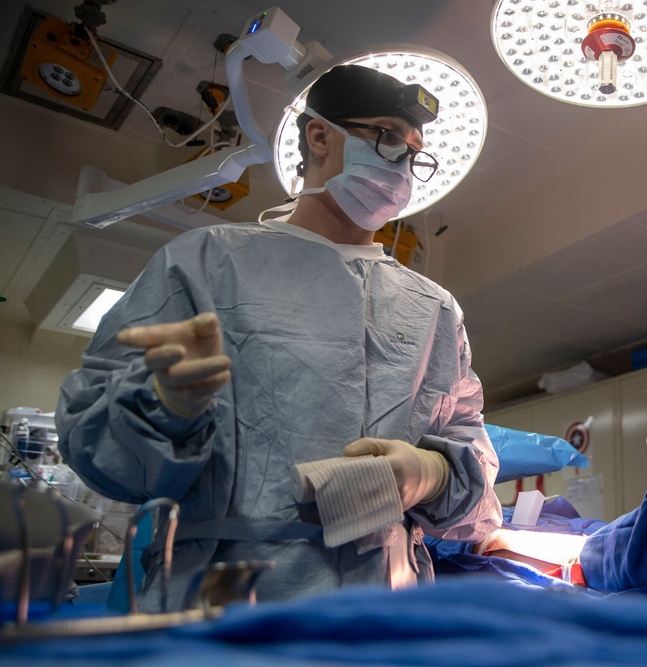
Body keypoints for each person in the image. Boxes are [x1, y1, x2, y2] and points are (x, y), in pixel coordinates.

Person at [56, 64, 502, 612]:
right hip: (224, 605)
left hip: (386, 611)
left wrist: (432, 473)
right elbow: (103, 456)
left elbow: (471, 452)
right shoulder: (205, 262)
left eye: (415, 153)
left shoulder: (434, 307)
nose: (404, 165)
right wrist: (158, 410)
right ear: (319, 135)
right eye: (388, 138)